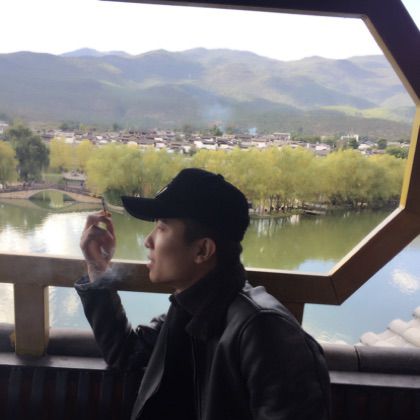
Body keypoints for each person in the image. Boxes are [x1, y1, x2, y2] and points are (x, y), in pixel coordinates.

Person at [75, 167, 331, 420]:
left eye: (162, 227)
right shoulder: (191, 308)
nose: (148, 241)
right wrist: (97, 267)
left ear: (203, 251)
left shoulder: (265, 331)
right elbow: (128, 355)